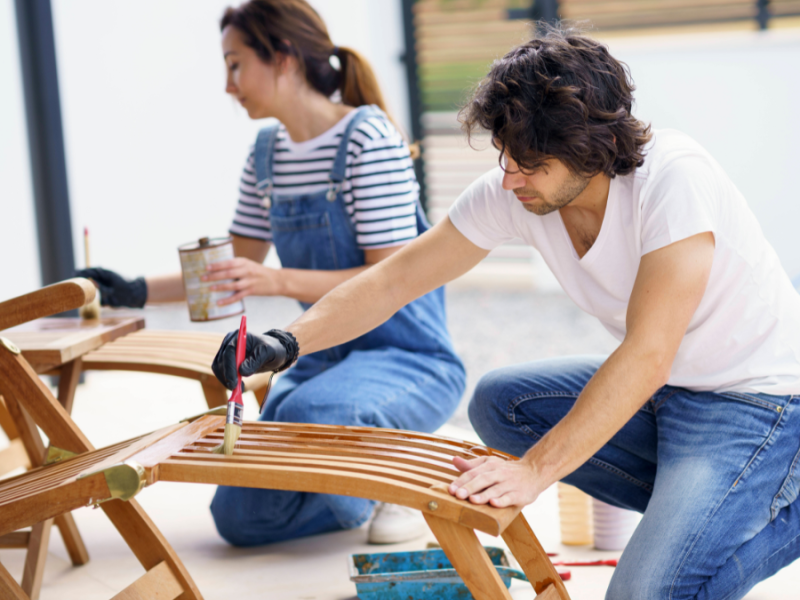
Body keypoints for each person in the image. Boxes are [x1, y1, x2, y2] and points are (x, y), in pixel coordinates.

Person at [213, 25, 800, 599]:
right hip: (671, 395)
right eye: (505, 156)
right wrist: (285, 342)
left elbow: (647, 355)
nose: (509, 177)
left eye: (531, 163)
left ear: (590, 147)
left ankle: (762, 498)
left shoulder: (675, 178)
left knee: (642, 592)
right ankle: (716, 504)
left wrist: (535, 472)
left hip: (759, 404)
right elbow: (393, 280)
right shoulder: (518, 191)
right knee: (501, 403)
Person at [77, 0, 465, 546]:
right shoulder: (266, 155)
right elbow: (237, 262)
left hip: (407, 359)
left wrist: (280, 282)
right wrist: (132, 290)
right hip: (322, 357)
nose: (228, 85)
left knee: (309, 409)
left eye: (236, 64)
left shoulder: (366, 139)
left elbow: (393, 277)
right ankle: (363, 480)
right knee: (241, 517)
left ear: (282, 57)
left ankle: (396, 467)